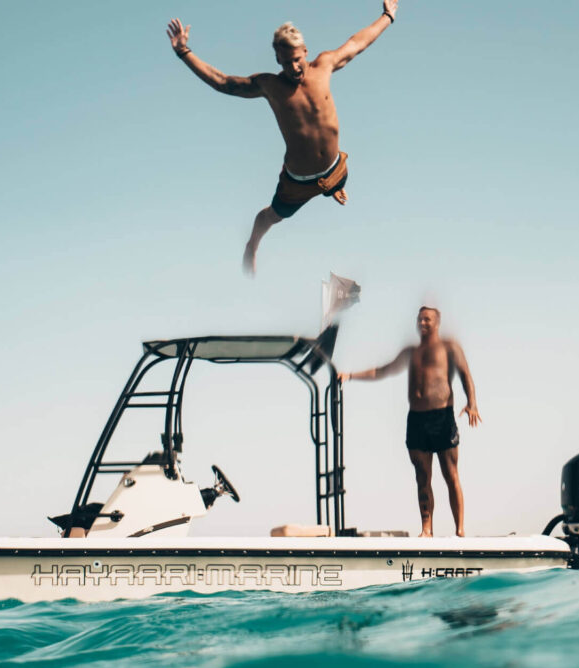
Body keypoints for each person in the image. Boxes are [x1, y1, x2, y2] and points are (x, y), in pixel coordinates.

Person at [166, 1, 399, 276]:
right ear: (277, 60)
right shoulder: (271, 86)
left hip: (336, 169)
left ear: (305, 52)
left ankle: (332, 186)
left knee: (337, 179)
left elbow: (358, 43)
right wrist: (183, 51)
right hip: (297, 183)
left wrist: (387, 16)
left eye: (297, 59)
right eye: (286, 62)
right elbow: (223, 82)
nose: (294, 67)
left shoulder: (324, 65)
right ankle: (252, 245)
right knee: (270, 217)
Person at [339, 307, 481, 537]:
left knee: (451, 474)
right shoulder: (411, 352)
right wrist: (351, 375)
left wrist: (472, 403)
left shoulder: (450, 347)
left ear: (437, 322)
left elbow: (465, 375)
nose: (422, 322)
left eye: (428, 319)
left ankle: (460, 530)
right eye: (420, 319)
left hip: (442, 416)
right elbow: (382, 370)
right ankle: (427, 530)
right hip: (417, 420)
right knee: (422, 477)